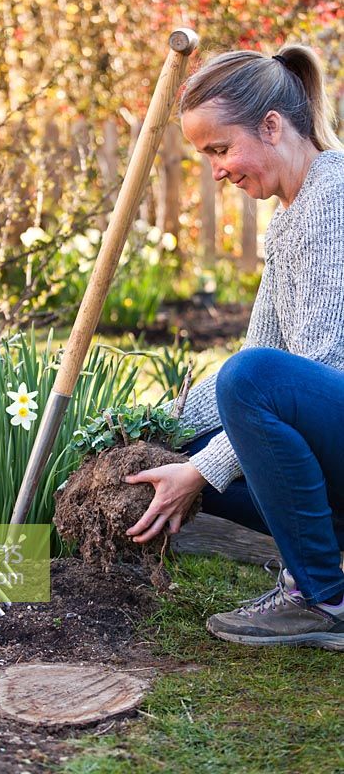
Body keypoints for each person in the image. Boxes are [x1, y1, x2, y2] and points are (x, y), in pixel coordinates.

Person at [123, 44, 344, 650]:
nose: (216, 169)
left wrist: (199, 471)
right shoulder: (293, 213)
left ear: (272, 126)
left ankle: (322, 597)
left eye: (221, 149)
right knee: (199, 433)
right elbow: (259, 360)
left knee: (243, 392)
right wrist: (144, 426)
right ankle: (316, 577)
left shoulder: (334, 200)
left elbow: (308, 371)